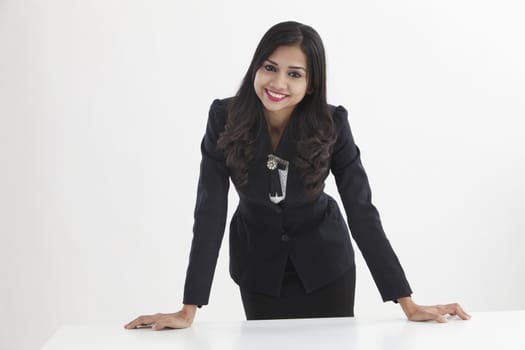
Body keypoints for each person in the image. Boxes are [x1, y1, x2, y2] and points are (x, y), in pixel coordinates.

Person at [125, 21, 470, 331]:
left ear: (311, 82)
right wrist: (189, 308)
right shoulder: (224, 117)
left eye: (294, 73)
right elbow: (209, 210)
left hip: (327, 268)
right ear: (255, 68)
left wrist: (406, 301)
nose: (278, 83)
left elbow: (362, 210)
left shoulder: (333, 124)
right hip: (258, 270)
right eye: (270, 68)